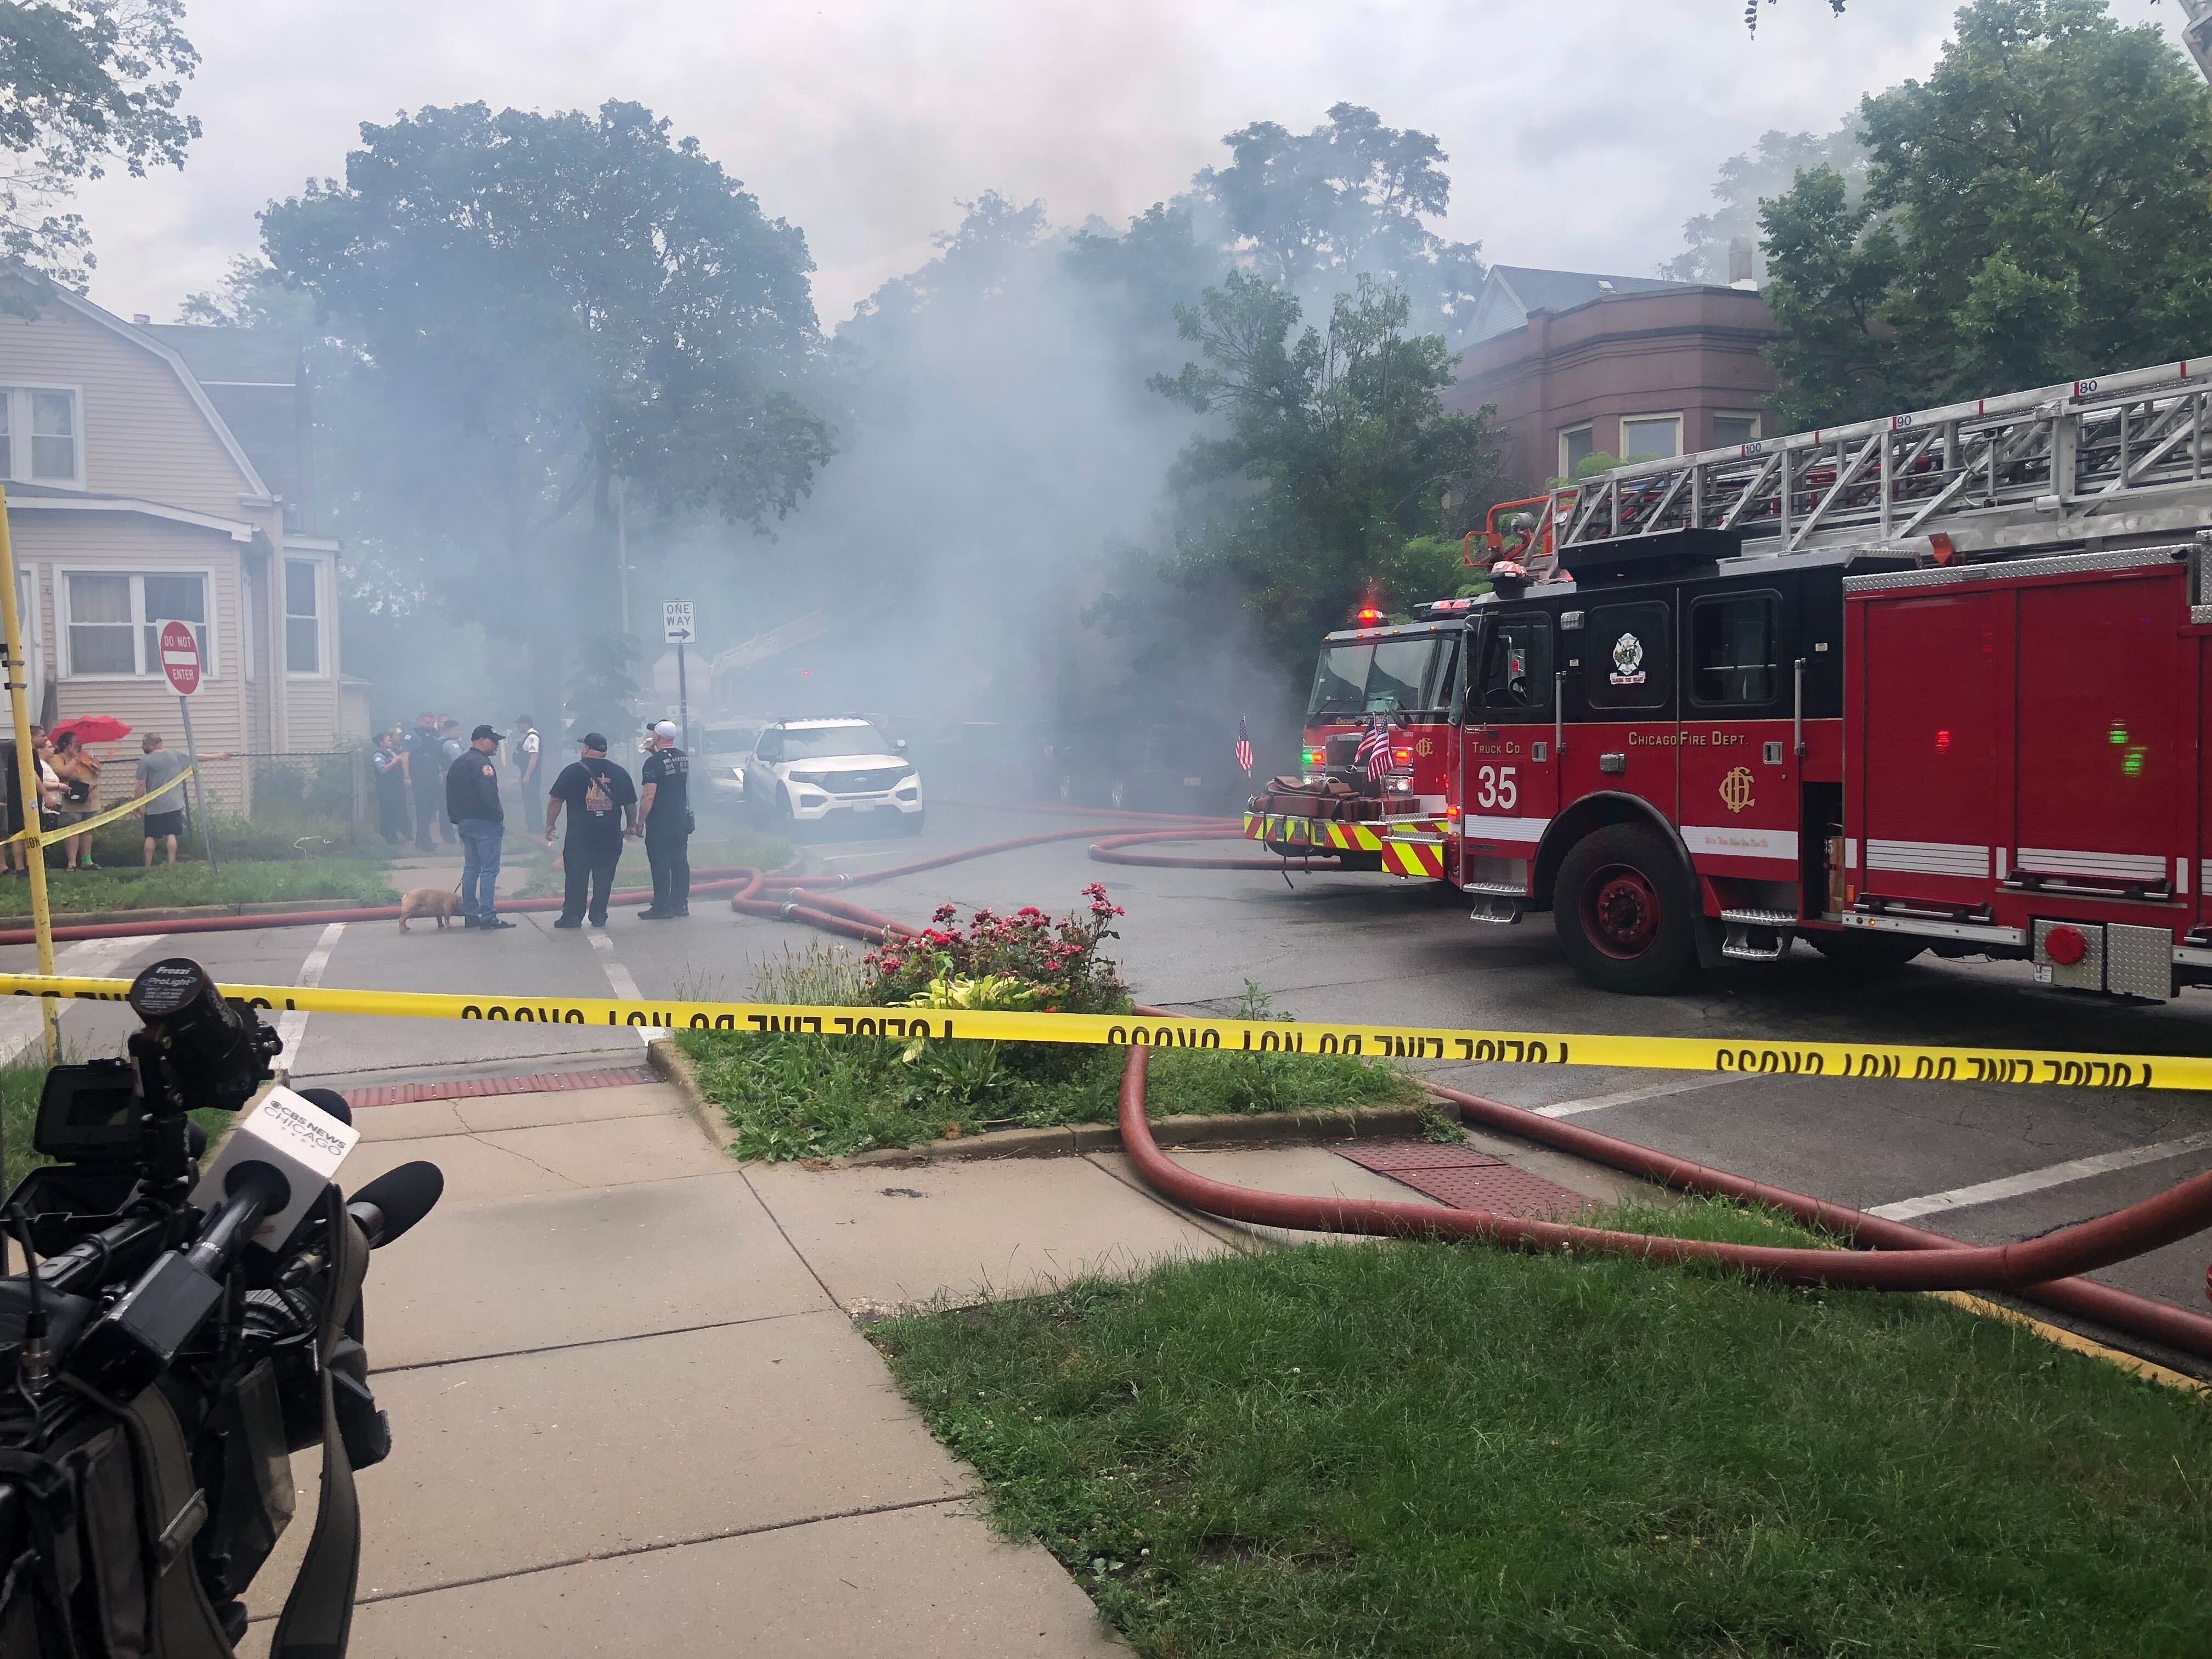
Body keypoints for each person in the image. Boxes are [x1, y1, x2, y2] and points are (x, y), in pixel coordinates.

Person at [544, 731, 636, 928]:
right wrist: (631, 825)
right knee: (604, 876)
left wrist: (550, 823)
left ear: (586, 748)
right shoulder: (620, 772)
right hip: (610, 835)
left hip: (580, 836)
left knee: (577, 875)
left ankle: (572, 916)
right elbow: (630, 804)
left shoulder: (572, 771)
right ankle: (599, 915)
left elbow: (556, 800)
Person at [446, 722, 512, 929]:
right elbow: (489, 795)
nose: (496, 746)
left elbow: (450, 794)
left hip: (465, 823)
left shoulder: (458, 763)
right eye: (494, 742)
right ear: (482, 741)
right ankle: (488, 916)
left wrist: (456, 819)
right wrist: (498, 816)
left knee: (471, 869)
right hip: (486, 823)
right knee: (489, 870)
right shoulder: (483, 765)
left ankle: (470, 914)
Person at [634, 719, 693, 919]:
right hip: (680, 819)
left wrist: (640, 822)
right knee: (679, 862)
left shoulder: (653, 763)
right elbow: (672, 777)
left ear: (657, 737)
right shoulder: (683, 757)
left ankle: (662, 906)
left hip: (660, 821)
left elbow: (649, 795)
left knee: (660, 863)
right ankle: (680, 904)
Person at [133, 733, 190, 866]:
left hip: (154, 806)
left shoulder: (145, 761)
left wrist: (137, 804)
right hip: (174, 804)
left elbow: (140, 784)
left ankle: (148, 866)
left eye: (144, 744)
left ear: (152, 745)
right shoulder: (175, 755)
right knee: (172, 834)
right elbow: (196, 757)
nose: (142, 747)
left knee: (150, 836)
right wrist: (219, 756)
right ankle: (171, 863)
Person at [49, 731, 100, 869]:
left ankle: (87, 860)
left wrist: (92, 763)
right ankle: (72, 863)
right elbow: (63, 773)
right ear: (66, 744)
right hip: (71, 801)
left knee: (87, 830)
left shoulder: (85, 756)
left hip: (89, 800)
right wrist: (74, 759)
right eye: (75, 742)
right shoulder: (58, 758)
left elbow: (97, 772)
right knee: (72, 830)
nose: (79, 744)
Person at [400, 711, 443, 851]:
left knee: (430, 810)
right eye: (427, 722)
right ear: (419, 722)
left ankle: (423, 839)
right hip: (419, 778)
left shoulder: (433, 736)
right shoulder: (412, 736)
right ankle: (424, 841)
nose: (430, 725)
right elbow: (405, 757)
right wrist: (407, 777)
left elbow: (435, 756)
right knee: (422, 809)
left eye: (431, 723)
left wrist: (439, 771)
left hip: (432, 777)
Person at [372, 729, 411, 844]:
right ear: (381, 743)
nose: (390, 743)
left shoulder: (390, 752)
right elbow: (383, 770)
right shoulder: (377, 756)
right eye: (388, 741)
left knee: (395, 811)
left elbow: (398, 758)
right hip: (385, 788)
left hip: (394, 788)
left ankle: (396, 835)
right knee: (387, 812)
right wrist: (394, 762)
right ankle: (388, 837)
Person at [514, 713, 543, 826]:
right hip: (529, 773)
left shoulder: (532, 737)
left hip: (532, 774)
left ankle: (536, 826)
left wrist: (528, 774)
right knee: (529, 798)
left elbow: (534, 756)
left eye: (519, 724)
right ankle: (532, 824)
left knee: (532, 799)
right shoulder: (528, 737)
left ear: (525, 724)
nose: (518, 727)